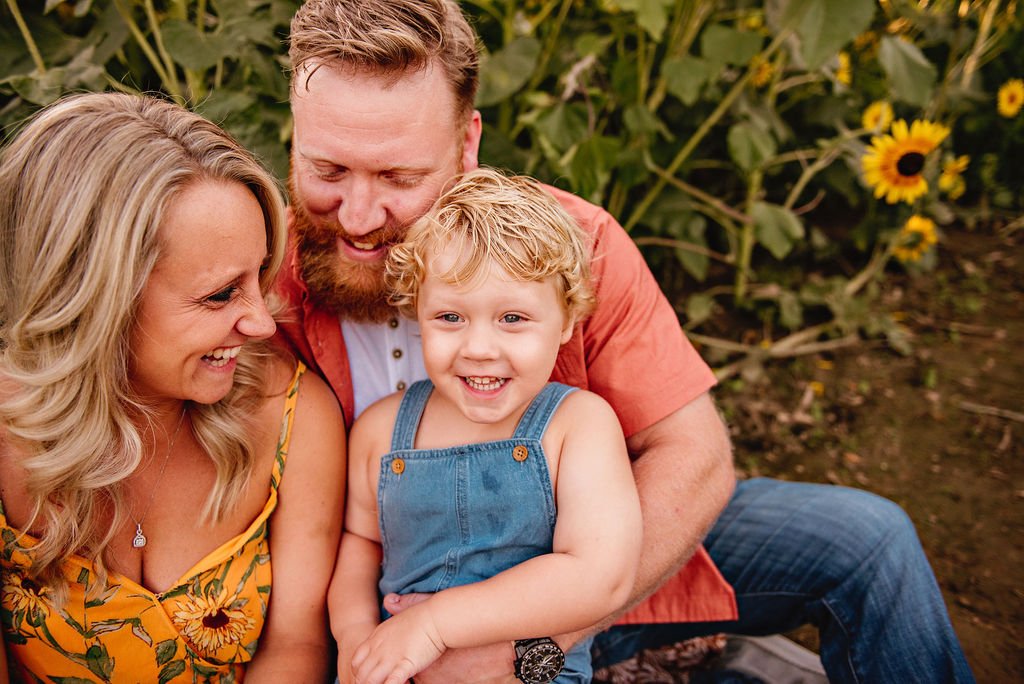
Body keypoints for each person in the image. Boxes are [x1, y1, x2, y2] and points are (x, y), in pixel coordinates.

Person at [277, 1, 975, 681]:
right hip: (376, 618)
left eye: (400, 177)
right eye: (328, 171)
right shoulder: (253, 284)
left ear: (467, 145)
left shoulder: (569, 249)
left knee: (866, 542)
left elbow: (693, 456)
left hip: (578, 580)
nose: (359, 217)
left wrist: (525, 649)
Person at [0, 92, 345, 682]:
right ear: (92, 298)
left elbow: (294, 647)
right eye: (219, 294)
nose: (262, 324)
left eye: (258, 277)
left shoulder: (292, 414)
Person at [330, 167, 642, 684]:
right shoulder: (381, 431)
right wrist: (356, 635)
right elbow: (360, 544)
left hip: (528, 674)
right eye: (450, 318)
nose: (478, 348)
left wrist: (434, 624)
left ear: (565, 319)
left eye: (512, 319)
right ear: (417, 314)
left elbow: (598, 575)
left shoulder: (576, 427)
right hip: (395, 667)